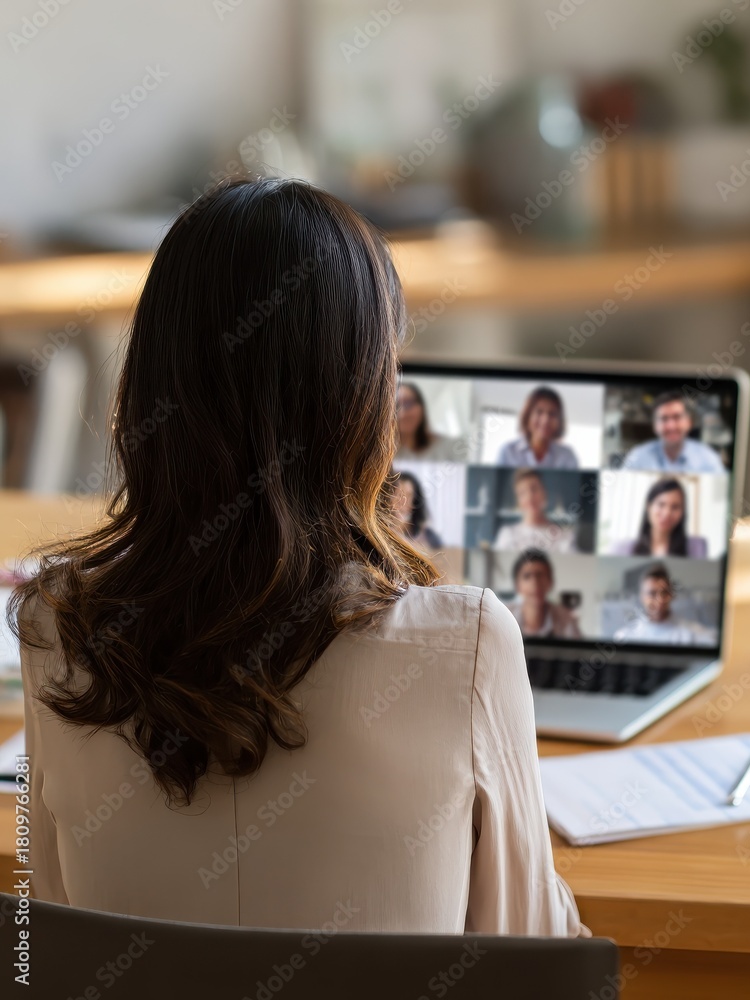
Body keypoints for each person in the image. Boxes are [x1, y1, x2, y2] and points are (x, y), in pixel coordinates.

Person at [12, 178, 586, 937]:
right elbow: (532, 961)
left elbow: (52, 937)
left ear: (151, 383)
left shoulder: (55, 627)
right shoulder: (467, 642)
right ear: (366, 398)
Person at [622, 390, 726, 473]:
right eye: (664, 418)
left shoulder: (708, 459)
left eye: (677, 417)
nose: (671, 426)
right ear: (655, 425)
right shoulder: (637, 458)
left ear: (689, 422)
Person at [614, 564, 717, 645]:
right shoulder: (625, 636)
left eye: (664, 593)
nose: (659, 600)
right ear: (642, 597)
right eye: (652, 593)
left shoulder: (692, 633)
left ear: (671, 595)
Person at [610, 477, 707, 558]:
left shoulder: (696, 547)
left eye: (675, 507)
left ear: (683, 511)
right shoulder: (621, 549)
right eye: (661, 505)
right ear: (648, 506)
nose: (667, 513)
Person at [494, 469, 577, 554]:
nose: (530, 497)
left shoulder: (565, 536)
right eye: (522, 493)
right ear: (518, 501)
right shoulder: (507, 534)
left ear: (544, 492)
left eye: (534, 489)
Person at [506, 549, 582, 639]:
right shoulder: (503, 617)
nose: (535, 582)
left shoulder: (567, 620)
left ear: (550, 582)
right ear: (517, 585)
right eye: (527, 576)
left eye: (540, 575)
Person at [497, 386, 578, 469]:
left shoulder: (567, 456)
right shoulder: (508, 452)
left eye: (552, 414)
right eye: (539, 412)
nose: (545, 420)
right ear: (527, 416)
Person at [395, 382, 461, 461]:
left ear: (422, 408)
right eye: (396, 406)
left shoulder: (448, 447)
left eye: (409, 403)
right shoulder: (385, 453)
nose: (403, 413)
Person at [390, 470, 443, 550]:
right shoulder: (378, 532)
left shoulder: (428, 536)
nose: (402, 501)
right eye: (398, 494)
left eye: (408, 495)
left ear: (415, 501)